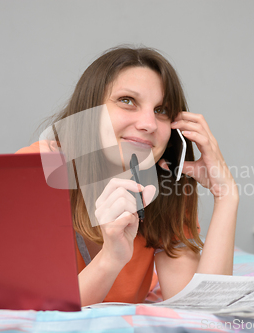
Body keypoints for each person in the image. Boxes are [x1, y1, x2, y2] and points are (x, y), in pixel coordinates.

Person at [16, 45, 239, 306]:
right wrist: (111, 258)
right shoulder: (36, 170)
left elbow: (202, 310)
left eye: (161, 110)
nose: (148, 124)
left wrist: (226, 195)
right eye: (127, 101)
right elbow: (36, 308)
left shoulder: (165, 185)